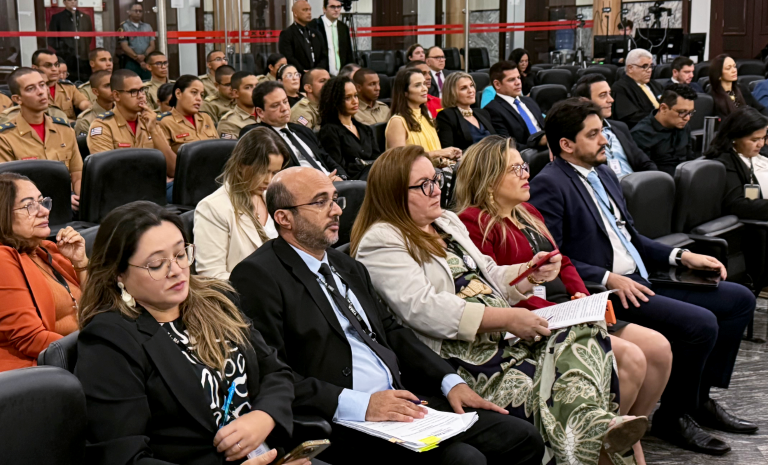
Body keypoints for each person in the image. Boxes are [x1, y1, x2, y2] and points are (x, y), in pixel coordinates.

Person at [351, 147, 649, 465]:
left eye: (436, 178)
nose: (436, 188)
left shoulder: (446, 222)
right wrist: (505, 318)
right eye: (424, 184)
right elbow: (422, 309)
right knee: (567, 386)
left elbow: (490, 274)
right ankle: (597, 429)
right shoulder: (381, 239)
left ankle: (592, 428)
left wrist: (529, 272)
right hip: (463, 356)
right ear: (394, 193)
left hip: (503, 338)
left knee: (584, 331)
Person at [230, 166, 547, 465]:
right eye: (320, 202)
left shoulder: (345, 266)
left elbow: (392, 331)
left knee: (521, 437)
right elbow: (273, 373)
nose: (338, 209)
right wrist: (362, 405)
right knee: (464, 459)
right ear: (284, 217)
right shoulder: (258, 276)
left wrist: (449, 382)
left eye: (335, 198)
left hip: (401, 402)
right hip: (340, 417)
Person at [529, 98, 758, 455]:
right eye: (593, 134)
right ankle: (673, 417)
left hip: (641, 276)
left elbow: (630, 236)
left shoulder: (603, 172)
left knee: (739, 299)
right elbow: (554, 257)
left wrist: (681, 255)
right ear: (566, 145)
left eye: (602, 131)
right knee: (700, 325)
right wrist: (607, 278)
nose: (605, 140)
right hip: (608, 292)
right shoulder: (550, 184)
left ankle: (699, 400)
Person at [455, 136, 672, 465]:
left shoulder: (527, 212)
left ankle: (618, 434)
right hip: (536, 320)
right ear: (488, 178)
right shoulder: (474, 223)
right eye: (516, 169)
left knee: (658, 349)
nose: (526, 174)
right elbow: (496, 292)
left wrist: (580, 295)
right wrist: (565, 309)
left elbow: (563, 261)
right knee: (630, 358)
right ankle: (597, 445)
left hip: (569, 308)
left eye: (524, 166)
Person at [75, 202, 304, 465]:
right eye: (157, 263)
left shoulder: (216, 301)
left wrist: (264, 416)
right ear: (119, 275)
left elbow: (275, 372)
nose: (176, 271)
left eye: (180, 254)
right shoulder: (109, 340)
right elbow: (125, 457)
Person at [0, 173, 86, 372]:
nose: (43, 211)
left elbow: (95, 305)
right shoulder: (4, 261)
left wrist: (81, 262)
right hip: (46, 371)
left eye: (42, 202)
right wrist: (97, 349)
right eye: (29, 205)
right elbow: (32, 340)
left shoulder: (46, 249)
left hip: (73, 357)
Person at [194, 128, 290, 280]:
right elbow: (211, 276)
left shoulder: (274, 198)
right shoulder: (212, 208)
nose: (269, 180)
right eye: (263, 171)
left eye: (274, 172)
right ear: (240, 165)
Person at [705, 107, 768, 259]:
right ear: (734, 138)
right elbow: (736, 206)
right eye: (754, 140)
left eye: (763, 138)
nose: (761, 144)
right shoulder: (725, 163)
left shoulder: (766, 153)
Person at [0, 68, 82, 210]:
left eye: (42, 85)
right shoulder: (5, 137)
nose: (41, 92)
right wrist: (57, 199)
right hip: (27, 210)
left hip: (69, 207)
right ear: (17, 99)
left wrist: (82, 199)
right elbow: (9, 188)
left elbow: (77, 175)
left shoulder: (64, 129)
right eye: (31, 88)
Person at [240, 81, 344, 180]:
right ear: (260, 112)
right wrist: (320, 182)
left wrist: (341, 176)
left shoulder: (303, 131)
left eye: (285, 102)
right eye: (275, 105)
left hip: (331, 183)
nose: (284, 108)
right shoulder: (256, 133)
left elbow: (327, 159)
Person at [86, 70, 177, 178]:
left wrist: (154, 130)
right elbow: (107, 173)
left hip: (154, 186)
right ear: (116, 95)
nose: (141, 96)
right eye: (133, 92)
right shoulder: (103, 127)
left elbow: (173, 170)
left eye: (142, 90)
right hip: (123, 190)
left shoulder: (150, 121)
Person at [575, 73, 656, 178]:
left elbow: (644, 162)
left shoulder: (620, 127)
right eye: (603, 95)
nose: (611, 100)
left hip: (635, 188)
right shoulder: (579, 133)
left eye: (610, 94)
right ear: (585, 101)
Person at [385, 68, 461, 163]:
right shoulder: (398, 121)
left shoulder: (425, 117)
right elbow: (399, 159)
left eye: (424, 84)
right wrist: (438, 153)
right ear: (405, 92)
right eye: (417, 85)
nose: (425, 89)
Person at [318, 76, 380, 181]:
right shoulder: (329, 131)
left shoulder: (365, 129)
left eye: (355, 96)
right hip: (353, 181)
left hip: (373, 176)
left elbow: (377, 158)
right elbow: (337, 166)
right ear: (335, 100)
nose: (355, 101)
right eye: (348, 98)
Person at [630, 85, 697, 176]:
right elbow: (645, 174)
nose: (687, 118)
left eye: (690, 112)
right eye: (682, 112)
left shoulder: (683, 125)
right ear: (663, 108)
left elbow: (689, 159)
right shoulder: (641, 134)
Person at [484, 61, 546, 149]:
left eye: (518, 78)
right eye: (511, 80)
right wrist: (538, 144)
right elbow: (506, 145)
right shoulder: (492, 109)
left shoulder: (529, 101)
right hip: (526, 156)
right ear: (497, 84)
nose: (518, 83)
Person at [157, 75, 220, 155]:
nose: (199, 98)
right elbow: (166, 159)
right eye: (194, 92)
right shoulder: (164, 122)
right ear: (178, 93)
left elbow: (218, 149)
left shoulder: (205, 118)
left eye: (202, 95)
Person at [436, 72, 496, 150]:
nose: (470, 90)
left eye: (471, 86)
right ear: (452, 93)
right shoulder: (447, 116)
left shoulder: (483, 113)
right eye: (463, 88)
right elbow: (448, 150)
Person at [611, 48, 664, 129]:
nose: (649, 70)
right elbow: (630, 118)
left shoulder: (656, 85)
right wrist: (660, 118)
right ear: (630, 68)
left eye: (651, 66)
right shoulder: (620, 89)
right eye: (645, 66)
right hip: (642, 132)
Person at [47, 0, 93, 82]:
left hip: (83, 56)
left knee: (85, 80)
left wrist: (82, 48)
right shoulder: (57, 18)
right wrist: (64, 49)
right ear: (64, 2)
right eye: (70, 0)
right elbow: (52, 39)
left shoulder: (85, 17)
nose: (73, 2)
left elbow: (89, 36)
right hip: (66, 56)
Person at [32, 49, 90, 120]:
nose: (54, 69)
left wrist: (92, 108)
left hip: (71, 129)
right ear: (35, 68)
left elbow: (83, 103)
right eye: (48, 65)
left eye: (56, 65)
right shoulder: (31, 92)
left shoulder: (69, 88)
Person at [708, 54, 768, 119]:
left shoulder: (742, 89)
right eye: (728, 68)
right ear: (718, 74)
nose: (734, 70)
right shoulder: (713, 97)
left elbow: (761, 109)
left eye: (734, 66)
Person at [278, 0, 325, 75]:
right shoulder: (287, 34)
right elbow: (288, 57)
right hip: (298, 74)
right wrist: (302, 70)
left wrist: (317, 70)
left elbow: (323, 55)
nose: (309, 13)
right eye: (305, 10)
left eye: (310, 10)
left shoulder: (316, 33)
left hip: (317, 74)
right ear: (295, 13)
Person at [312, 0, 355, 76]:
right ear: (324, 9)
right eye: (332, 7)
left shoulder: (343, 27)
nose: (336, 10)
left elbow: (348, 52)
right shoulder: (314, 26)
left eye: (339, 7)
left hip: (341, 74)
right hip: (321, 73)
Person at [117, 2, 155, 80]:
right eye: (135, 11)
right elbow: (124, 46)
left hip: (146, 61)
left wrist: (144, 56)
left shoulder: (147, 27)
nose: (138, 13)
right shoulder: (123, 27)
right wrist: (138, 59)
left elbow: (152, 45)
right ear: (129, 12)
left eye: (140, 11)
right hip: (131, 61)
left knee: (147, 83)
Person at [217, 72, 259, 140]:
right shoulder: (229, 123)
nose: (255, 91)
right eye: (248, 87)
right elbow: (231, 149)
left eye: (257, 86)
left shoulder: (267, 115)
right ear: (236, 93)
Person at [75, 71, 114, 136]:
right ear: (96, 92)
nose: (113, 89)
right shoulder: (85, 120)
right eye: (107, 86)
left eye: (114, 84)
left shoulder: (125, 113)